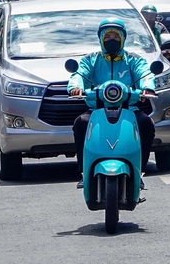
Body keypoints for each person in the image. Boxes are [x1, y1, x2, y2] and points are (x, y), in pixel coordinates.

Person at [67, 18, 156, 187]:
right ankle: (84, 172)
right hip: (97, 109)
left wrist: (148, 88)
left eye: (116, 36)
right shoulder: (90, 60)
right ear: (101, 39)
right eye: (108, 36)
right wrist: (76, 87)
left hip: (129, 108)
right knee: (81, 123)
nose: (112, 40)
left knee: (146, 123)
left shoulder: (133, 60)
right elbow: (78, 74)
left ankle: (139, 172)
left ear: (123, 38)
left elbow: (145, 73)